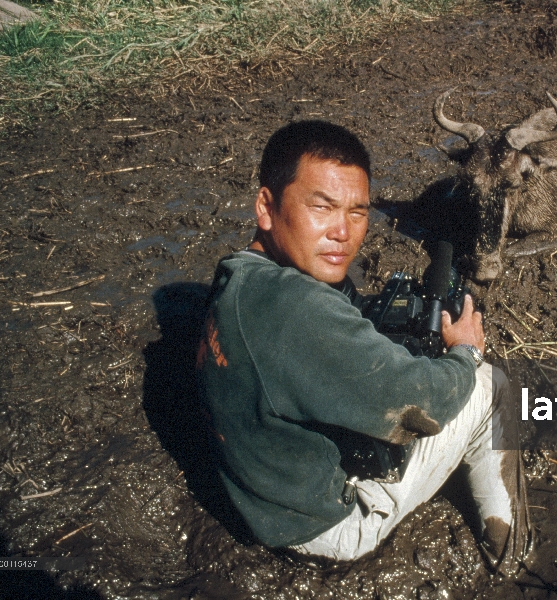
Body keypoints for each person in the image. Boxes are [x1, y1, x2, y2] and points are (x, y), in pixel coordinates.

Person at [196, 120, 529, 573]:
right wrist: (464, 354)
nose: (343, 231)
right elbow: (418, 405)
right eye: (322, 206)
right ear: (266, 207)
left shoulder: (239, 276)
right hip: (323, 524)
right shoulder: (297, 308)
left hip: (261, 489)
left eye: (358, 211)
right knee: (491, 386)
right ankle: (510, 553)